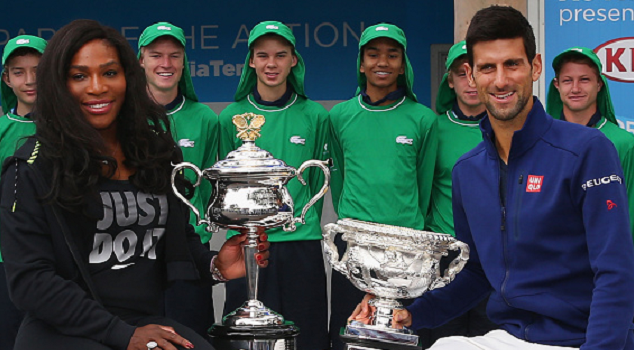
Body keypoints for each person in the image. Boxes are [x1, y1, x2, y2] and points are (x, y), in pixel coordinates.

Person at [351, 5, 634, 350]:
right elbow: (477, 274)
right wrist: (411, 314)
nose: (500, 80)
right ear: (471, 76)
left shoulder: (588, 149)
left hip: (581, 340)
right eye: (488, 67)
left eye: (512, 64)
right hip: (511, 337)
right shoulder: (468, 171)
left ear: (534, 66)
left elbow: (615, 272)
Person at [0, 19, 269, 350]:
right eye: (79, 76)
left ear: (128, 77)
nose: (97, 87)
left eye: (110, 73)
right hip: (62, 332)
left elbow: (176, 241)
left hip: (142, 325)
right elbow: (30, 282)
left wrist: (216, 266)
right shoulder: (30, 166)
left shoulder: (156, 152)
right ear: (59, 84)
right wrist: (121, 335)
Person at [217, 21, 330, 350]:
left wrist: (298, 220)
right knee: (245, 334)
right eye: (262, 55)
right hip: (247, 244)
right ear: (251, 61)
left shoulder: (315, 116)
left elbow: (315, 182)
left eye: (281, 55)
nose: (271, 63)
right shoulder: (231, 118)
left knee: (305, 334)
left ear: (293, 60)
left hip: (300, 245)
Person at [328, 23, 437, 350]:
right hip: (354, 252)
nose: (382, 62)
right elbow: (339, 179)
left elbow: (424, 185)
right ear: (361, 63)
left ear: (403, 65)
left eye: (392, 55)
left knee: (399, 339)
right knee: (349, 336)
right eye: (373, 54)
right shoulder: (340, 116)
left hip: (405, 255)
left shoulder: (423, 119)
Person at [547, 46, 634, 345]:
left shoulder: (624, 144)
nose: (575, 88)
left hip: (604, 287)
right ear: (556, 85)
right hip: (551, 286)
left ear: (600, 84)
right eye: (567, 80)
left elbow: (627, 224)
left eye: (585, 80)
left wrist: (613, 284)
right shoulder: (541, 142)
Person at [138, 21, 219, 340]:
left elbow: (213, 188)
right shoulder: (123, 117)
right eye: (156, 55)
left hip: (190, 252)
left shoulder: (205, 118)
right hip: (137, 252)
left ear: (184, 62)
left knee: (191, 339)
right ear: (140, 60)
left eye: (174, 55)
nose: (166, 63)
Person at [422, 40, 496, 347]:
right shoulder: (432, 128)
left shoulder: (505, 128)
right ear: (449, 80)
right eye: (460, 73)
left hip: (493, 261)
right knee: (443, 341)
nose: (469, 81)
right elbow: (421, 192)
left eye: (474, 71)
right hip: (444, 260)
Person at [0, 34, 46, 350]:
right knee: (6, 339)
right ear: (6, 77)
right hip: (7, 261)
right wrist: (9, 239)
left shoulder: (72, 129)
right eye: (19, 71)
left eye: (38, 69)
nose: (29, 80)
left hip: (56, 261)